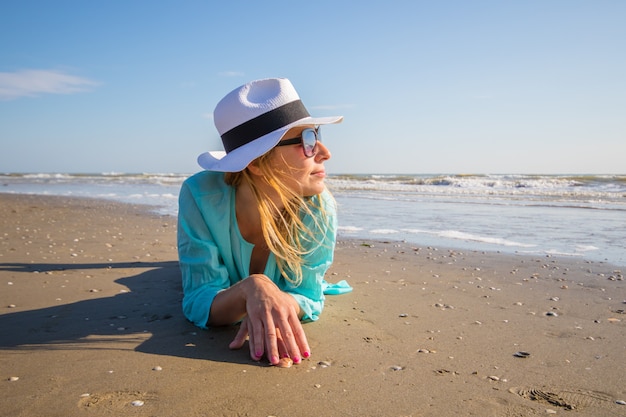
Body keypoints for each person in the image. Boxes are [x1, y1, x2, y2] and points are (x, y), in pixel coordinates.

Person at [177, 78, 352, 366]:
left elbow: (308, 294)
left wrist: (278, 310)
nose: (325, 152)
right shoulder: (200, 197)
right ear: (257, 162)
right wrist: (252, 288)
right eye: (307, 140)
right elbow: (198, 296)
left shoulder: (319, 208)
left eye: (317, 135)